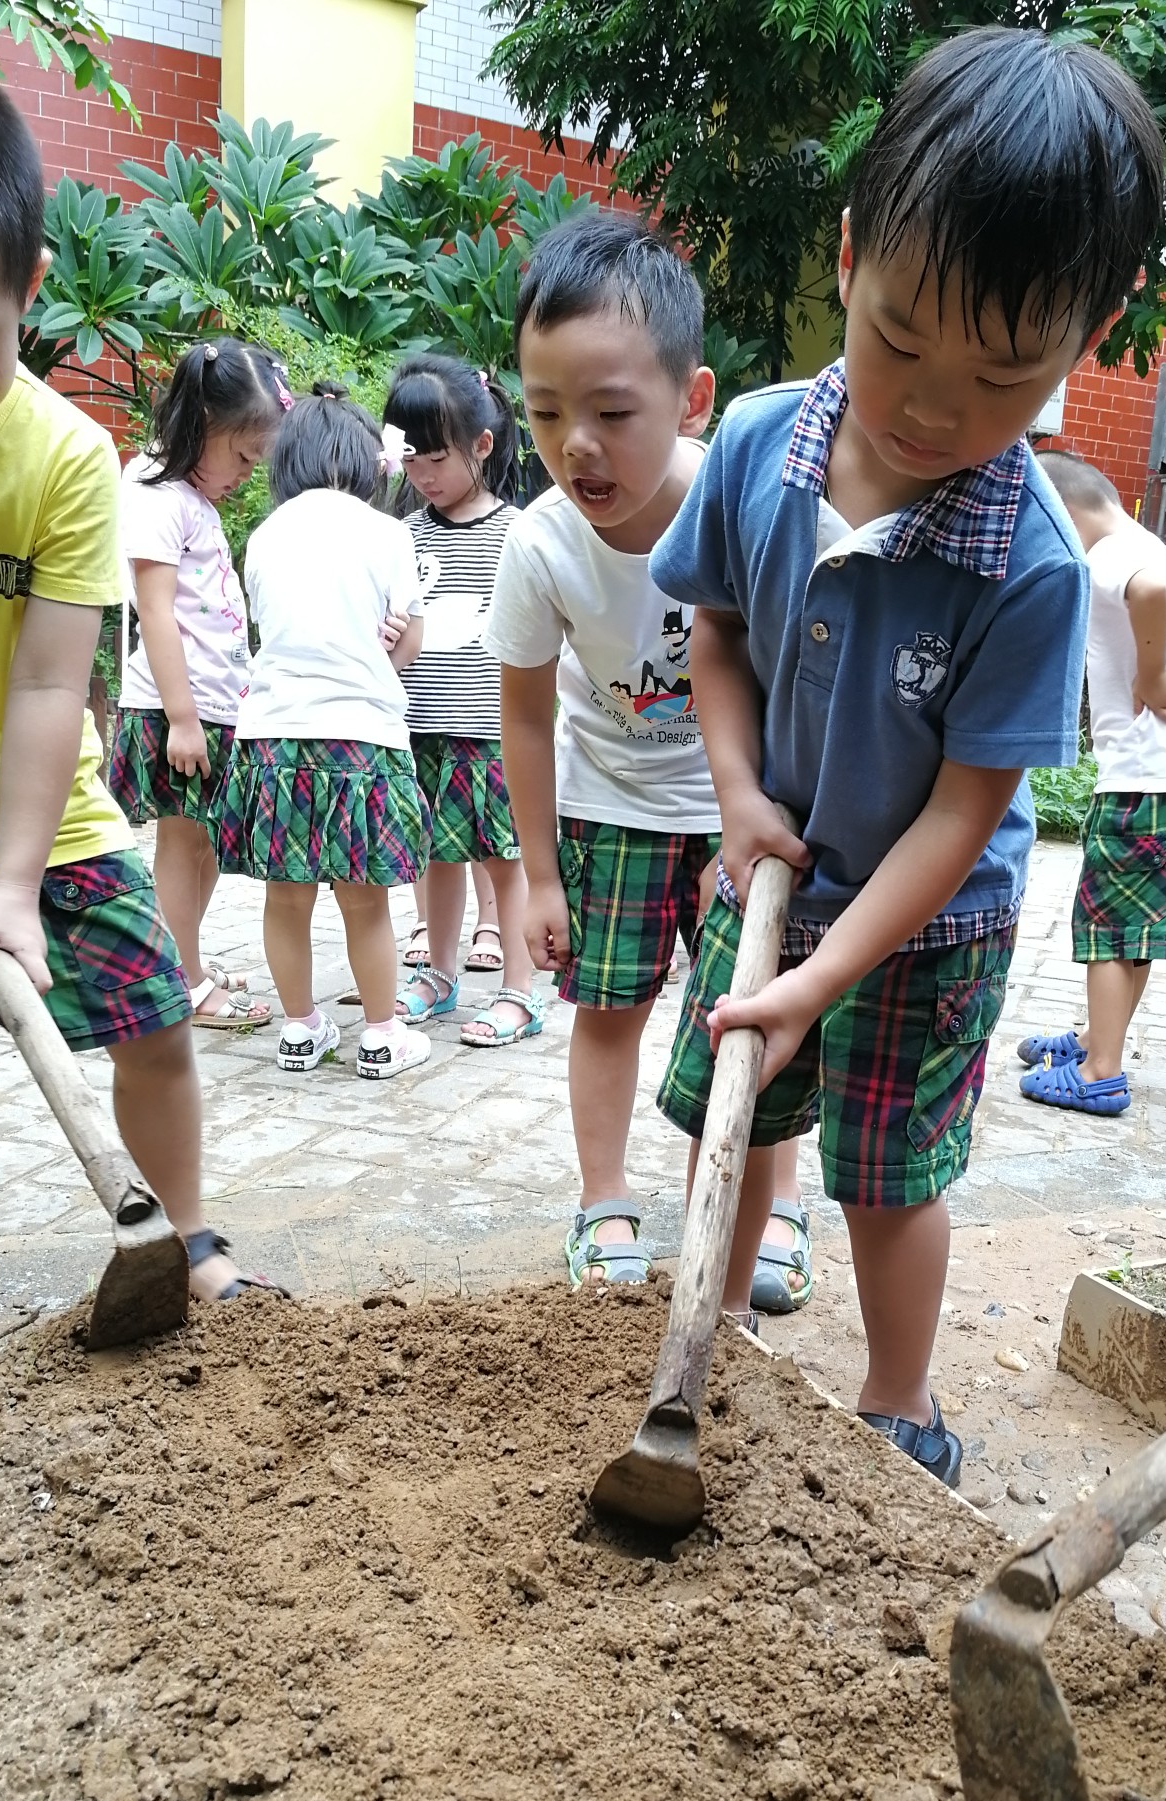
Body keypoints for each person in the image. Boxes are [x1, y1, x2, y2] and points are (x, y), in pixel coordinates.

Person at [648, 27, 1165, 1482]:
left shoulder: (1034, 567)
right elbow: (717, 635)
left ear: (1082, 339)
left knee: (886, 1173)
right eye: (899, 342)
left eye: (1003, 377)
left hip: (931, 926)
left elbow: (961, 815)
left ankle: (897, 1408)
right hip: (772, 866)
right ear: (849, 259)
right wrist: (738, 795)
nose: (937, 407)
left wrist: (824, 980)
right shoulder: (755, 448)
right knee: (733, 1118)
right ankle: (704, 1355)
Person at [0, 69, 278, 1303]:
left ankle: (184, 1237)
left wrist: (15, 882)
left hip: (44, 805)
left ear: (30, 286)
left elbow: (54, 684)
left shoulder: (62, 455)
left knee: (154, 1010)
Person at [486, 213, 725, 1287]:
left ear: (691, 399)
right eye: (545, 412)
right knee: (611, 1012)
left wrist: (762, 820)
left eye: (612, 412)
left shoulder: (739, 506)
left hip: (734, 809)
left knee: (746, 1019)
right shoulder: (540, 545)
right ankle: (604, 1204)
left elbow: (799, 677)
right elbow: (526, 717)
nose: (575, 442)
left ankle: (752, 1209)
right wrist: (539, 874)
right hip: (611, 804)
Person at [213, 385, 430, 1080]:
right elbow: (406, 643)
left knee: (286, 895)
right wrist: (383, 648)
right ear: (367, 462)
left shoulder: (265, 536)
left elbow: (274, 629)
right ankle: (381, 1035)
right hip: (360, 733)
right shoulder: (389, 534)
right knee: (365, 900)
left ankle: (300, 1030)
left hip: (274, 734)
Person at [1014, 451, 1166, 1115]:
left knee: (1106, 925)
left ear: (1064, 513)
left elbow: (1147, 594)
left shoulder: (1105, 554)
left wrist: (1151, 678)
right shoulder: (1156, 549)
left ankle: (1100, 1071)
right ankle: (1096, 1040)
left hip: (1140, 780)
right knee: (1138, 929)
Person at [106, 337, 287, 1031]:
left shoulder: (190, 495)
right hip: (176, 709)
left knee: (202, 844)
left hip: (209, 706)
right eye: (242, 457)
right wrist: (182, 719)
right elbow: (155, 611)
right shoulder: (156, 492)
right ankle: (179, 982)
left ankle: (184, 961)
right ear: (205, 424)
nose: (245, 474)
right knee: (183, 847)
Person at [385, 353, 542, 1046]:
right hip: (419, 725)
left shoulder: (517, 533)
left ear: (482, 445)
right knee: (434, 855)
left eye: (436, 458)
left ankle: (519, 991)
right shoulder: (404, 536)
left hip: (491, 730)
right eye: (410, 459)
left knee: (506, 859)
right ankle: (440, 975)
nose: (422, 475)